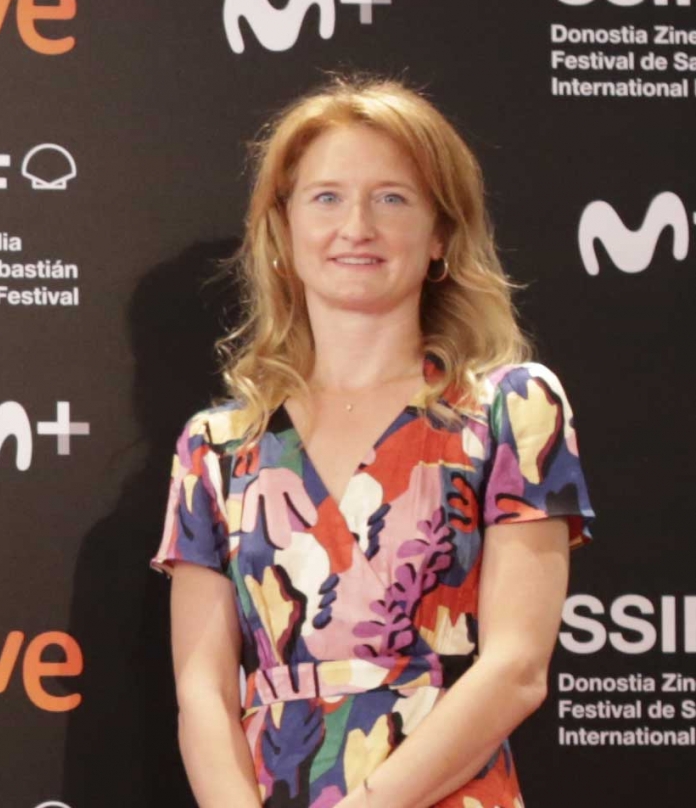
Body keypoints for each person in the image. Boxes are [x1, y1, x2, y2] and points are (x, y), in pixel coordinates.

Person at [152, 75, 594, 808]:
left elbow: (517, 668)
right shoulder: (218, 446)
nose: (356, 226)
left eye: (392, 198)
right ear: (283, 230)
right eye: (326, 197)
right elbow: (202, 692)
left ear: (441, 234)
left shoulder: (511, 408)